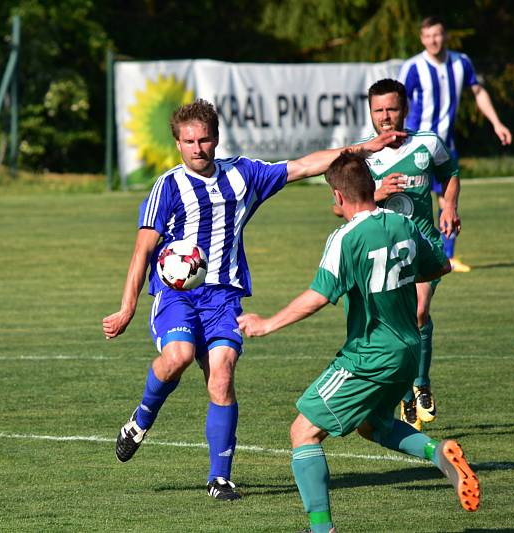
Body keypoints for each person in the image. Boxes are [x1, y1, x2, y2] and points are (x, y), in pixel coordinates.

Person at [102, 98, 404, 501]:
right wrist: (127, 307)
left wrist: (365, 147)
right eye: (189, 141)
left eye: (205, 140)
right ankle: (141, 419)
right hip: (178, 296)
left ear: (216, 138)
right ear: (178, 144)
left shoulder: (244, 175)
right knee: (177, 356)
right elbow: (142, 250)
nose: (198, 148)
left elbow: (304, 165)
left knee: (222, 373)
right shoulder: (168, 187)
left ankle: (220, 478)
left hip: (224, 298)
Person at [238, 150, 479, 532]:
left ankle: (322, 530)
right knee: (373, 424)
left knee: (303, 431)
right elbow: (441, 266)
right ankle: (437, 453)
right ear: (371, 187)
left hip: (371, 354)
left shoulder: (345, 238)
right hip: (409, 351)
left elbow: (318, 296)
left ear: (338, 197)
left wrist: (267, 324)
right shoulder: (404, 224)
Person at [356, 78, 460, 430]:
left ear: (405, 109)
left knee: (417, 311)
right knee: (396, 325)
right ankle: (405, 396)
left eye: (392, 109)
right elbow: (340, 208)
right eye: (378, 110)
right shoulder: (363, 155)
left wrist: (448, 208)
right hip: (385, 253)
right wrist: (377, 193)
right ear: (370, 112)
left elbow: (451, 174)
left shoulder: (427, 143)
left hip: (424, 245)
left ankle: (421, 383)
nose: (385, 117)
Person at [399, 15, 513, 272]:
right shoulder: (413, 67)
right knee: (414, 198)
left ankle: (447, 256)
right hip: (415, 146)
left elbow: (478, 91)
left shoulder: (462, 63)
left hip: (445, 145)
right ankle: (412, 252)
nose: (433, 41)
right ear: (421, 38)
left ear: (445, 35)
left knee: (448, 199)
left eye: (437, 35)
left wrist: (497, 123)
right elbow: (398, 103)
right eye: (427, 36)